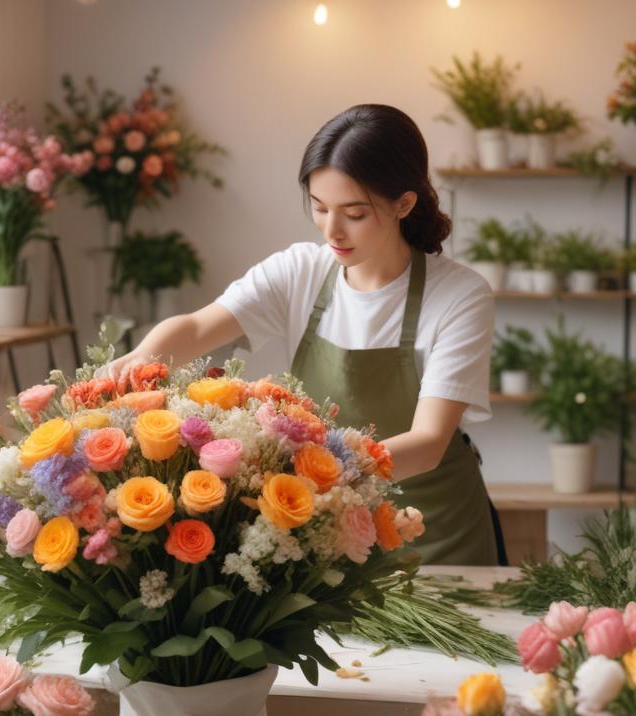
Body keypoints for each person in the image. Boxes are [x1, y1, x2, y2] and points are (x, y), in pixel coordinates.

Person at [99, 104, 499, 564]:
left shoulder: (459, 295)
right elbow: (196, 327)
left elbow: (428, 444)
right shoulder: (301, 271)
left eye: (354, 213)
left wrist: (304, 473)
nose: (332, 230)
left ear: (404, 204)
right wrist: (142, 356)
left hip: (437, 534)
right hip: (332, 532)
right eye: (319, 207)